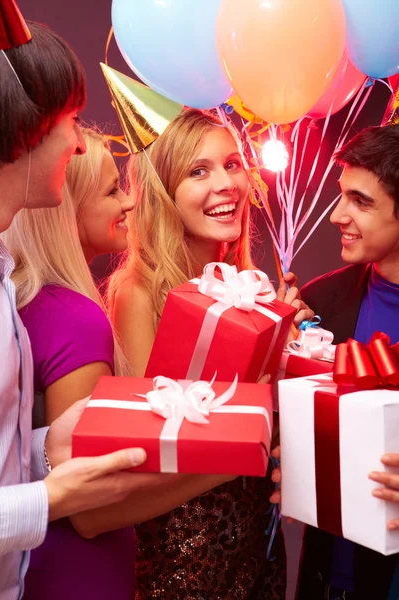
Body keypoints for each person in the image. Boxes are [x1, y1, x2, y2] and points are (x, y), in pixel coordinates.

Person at [106, 108, 313, 599]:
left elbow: (267, 425)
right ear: (164, 192)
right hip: (183, 555)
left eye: (233, 164)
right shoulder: (138, 292)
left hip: (256, 545)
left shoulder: (249, 290)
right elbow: (144, 451)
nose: (227, 184)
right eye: (199, 171)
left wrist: (288, 353)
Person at [0, 15, 147, 599]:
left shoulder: (6, 277)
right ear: (24, 130)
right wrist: (56, 495)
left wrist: (48, 441)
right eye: (70, 122)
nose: (81, 143)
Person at [278, 124, 399, 600]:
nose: (336, 215)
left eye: (361, 201)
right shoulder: (322, 299)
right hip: (328, 578)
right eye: (340, 195)